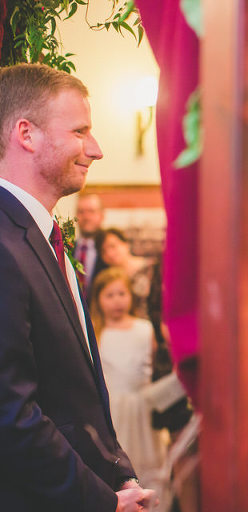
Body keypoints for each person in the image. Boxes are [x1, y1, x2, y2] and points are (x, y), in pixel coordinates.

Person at [0, 63, 154, 511]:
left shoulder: (42, 238)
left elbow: (73, 394)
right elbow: (12, 415)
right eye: (81, 131)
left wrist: (120, 474)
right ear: (26, 135)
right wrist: (102, 501)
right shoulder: (5, 244)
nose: (97, 149)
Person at [90, 267, 169, 511]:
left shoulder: (144, 329)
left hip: (142, 409)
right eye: (109, 295)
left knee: (149, 462)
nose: (117, 301)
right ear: (98, 300)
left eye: (121, 293)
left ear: (131, 296)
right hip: (113, 412)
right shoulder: (96, 331)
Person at [97, 227, 156, 319]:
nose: (109, 253)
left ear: (126, 244)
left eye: (112, 246)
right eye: (103, 251)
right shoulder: (108, 279)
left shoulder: (152, 268)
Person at [75, 192, 107, 301]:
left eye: (91, 211)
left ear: (102, 215)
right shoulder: (66, 249)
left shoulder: (110, 249)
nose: (86, 217)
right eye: (81, 212)